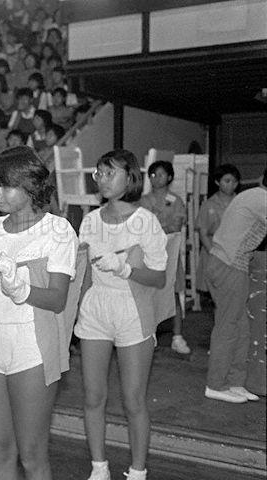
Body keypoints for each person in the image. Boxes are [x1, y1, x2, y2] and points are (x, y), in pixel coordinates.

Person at [0, 147, 78, 480]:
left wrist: (22, 290)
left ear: (30, 186)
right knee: (0, 450)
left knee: (31, 454)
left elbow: (58, 299)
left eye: (7, 185)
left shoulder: (57, 230)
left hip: (29, 347)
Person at [75, 150, 168, 480]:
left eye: (109, 172)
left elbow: (158, 277)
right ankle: (99, 467)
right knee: (93, 395)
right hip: (96, 309)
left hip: (132, 309)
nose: (101, 178)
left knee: (133, 400)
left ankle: (138, 471)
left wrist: (125, 268)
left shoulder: (146, 221)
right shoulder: (89, 220)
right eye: (98, 173)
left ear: (130, 178)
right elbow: (83, 274)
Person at [204, 168, 266, 404]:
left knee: (241, 327)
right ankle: (216, 384)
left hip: (230, 265)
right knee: (228, 327)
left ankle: (234, 383)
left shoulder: (255, 195)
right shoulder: (262, 199)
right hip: (228, 265)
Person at [139, 160, 189, 354]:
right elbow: (140, 228)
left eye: (160, 174)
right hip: (148, 254)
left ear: (169, 177)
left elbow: (176, 226)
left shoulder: (176, 200)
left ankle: (177, 336)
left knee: (173, 292)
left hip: (169, 252)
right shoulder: (143, 200)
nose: (155, 178)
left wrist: (156, 229)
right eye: (152, 175)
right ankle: (148, 335)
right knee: (147, 295)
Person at [195, 164, 240, 294]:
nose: (231, 185)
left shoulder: (240, 202)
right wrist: (214, 253)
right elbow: (203, 233)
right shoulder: (209, 204)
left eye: (235, 182)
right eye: (227, 181)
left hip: (235, 252)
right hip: (214, 250)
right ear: (217, 182)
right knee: (217, 292)